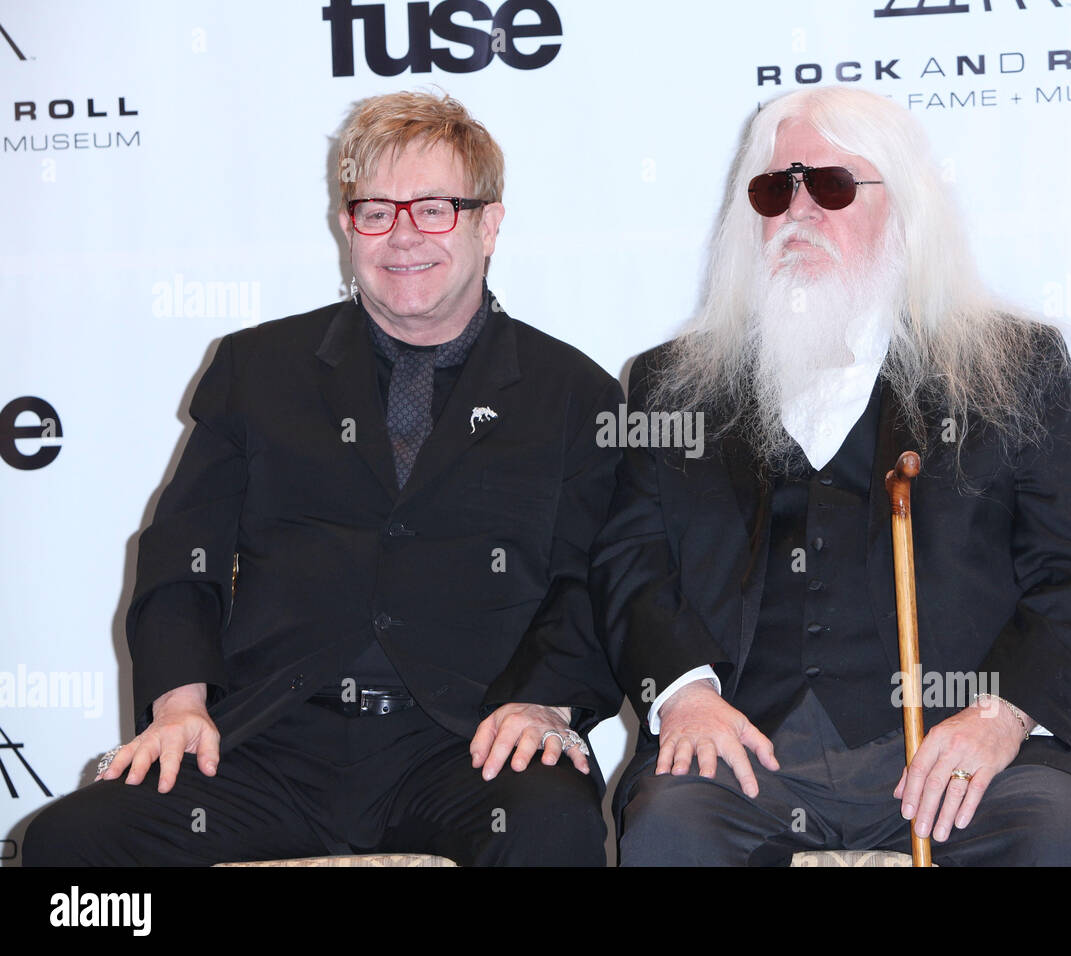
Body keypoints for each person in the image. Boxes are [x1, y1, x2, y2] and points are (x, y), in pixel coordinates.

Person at [24, 90, 622, 867]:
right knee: (71, 843)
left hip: (467, 746)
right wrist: (178, 705)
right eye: (376, 210)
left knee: (555, 825)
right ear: (348, 226)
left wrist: (543, 701)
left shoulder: (573, 392)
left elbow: (590, 583)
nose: (402, 235)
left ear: (489, 223)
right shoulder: (257, 369)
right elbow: (181, 556)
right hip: (268, 745)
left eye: (435, 208)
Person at [592, 86, 1071, 866]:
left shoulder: (1012, 368)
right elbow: (630, 566)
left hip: (966, 752)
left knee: (1058, 837)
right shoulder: (674, 383)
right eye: (777, 188)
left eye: (833, 186)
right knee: (670, 825)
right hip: (747, 750)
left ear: (905, 211)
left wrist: (998, 715)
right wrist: (685, 696)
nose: (798, 211)